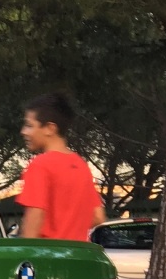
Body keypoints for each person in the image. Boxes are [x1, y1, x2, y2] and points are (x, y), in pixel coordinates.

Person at [18, 93, 106, 241]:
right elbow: (98, 217)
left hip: (49, 257)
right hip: (77, 256)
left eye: (29, 125)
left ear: (50, 128)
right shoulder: (81, 165)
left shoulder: (40, 165)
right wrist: (68, 226)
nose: (23, 131)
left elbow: (34, 219)